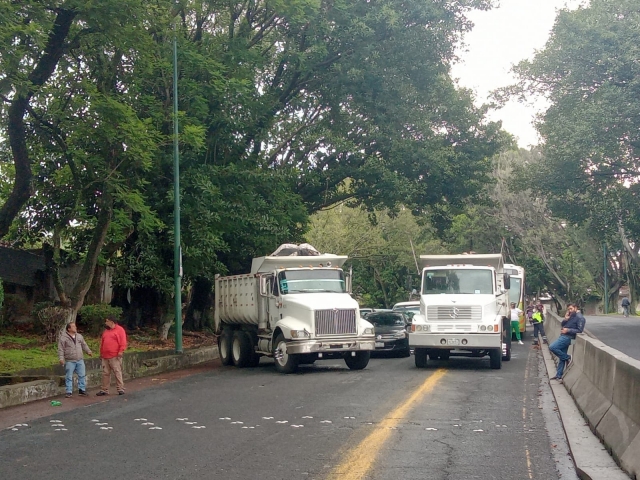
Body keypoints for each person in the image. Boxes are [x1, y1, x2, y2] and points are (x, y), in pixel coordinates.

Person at [58, 322, 93, 398]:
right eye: (73, 326)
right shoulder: (63, 338)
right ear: (69, 329)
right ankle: (69, 391)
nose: (75, 327)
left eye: (75, 326)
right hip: (70, 360)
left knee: (82, 375)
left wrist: (88, 351)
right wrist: (61, 358)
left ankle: (82, 390)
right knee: (69, 376)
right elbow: (61, 349)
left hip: (80, 359)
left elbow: (84, 344)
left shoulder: (79, 336)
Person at [549, 304, 583, 380]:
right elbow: (563, 325)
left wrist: (568, 330)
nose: (569, 311)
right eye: (568, 309)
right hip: (563, 336)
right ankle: (559, 375)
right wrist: (565, 319)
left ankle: (568, 357)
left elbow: (580, 330)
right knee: (561, 357)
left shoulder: (580, 317)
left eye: (571, 309)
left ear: (576, 308)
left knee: (552, 347)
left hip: (569, 338)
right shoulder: (571, 316)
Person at [96, 315, 127, 396]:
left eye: (107, 321)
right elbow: (103, 343)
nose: (106, 323)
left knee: (117, 372)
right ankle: (104, 389)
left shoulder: (119, 330)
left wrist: (121, 351)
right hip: (105, 356)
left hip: (114, 355)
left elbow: (123, 342)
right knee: (105, 373)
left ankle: (120, 388)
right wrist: (101, 353)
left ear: (111, 322)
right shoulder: (106, 331)